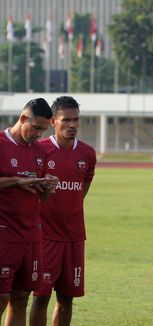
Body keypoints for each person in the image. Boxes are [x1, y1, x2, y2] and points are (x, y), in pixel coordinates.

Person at [29, 96, 96, 326]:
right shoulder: (39, 150)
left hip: (75, 237)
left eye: (76, 119)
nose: (73, 125)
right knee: (40, 298)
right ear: (53, 122)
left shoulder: (87, 154)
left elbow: (82, 189)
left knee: (67, 299)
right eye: (66, 120)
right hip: (45, 238)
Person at [0, 98, 59, 325]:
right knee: (2, 297)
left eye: (43, 130)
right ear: (23, 118)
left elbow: (40, 198)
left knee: (22, 297)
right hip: (4, 234)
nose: (39, 135)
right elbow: (19, 181)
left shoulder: (39, 150)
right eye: (36, 128)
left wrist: (46, 187)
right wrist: (16, 180)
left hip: (31, 236)